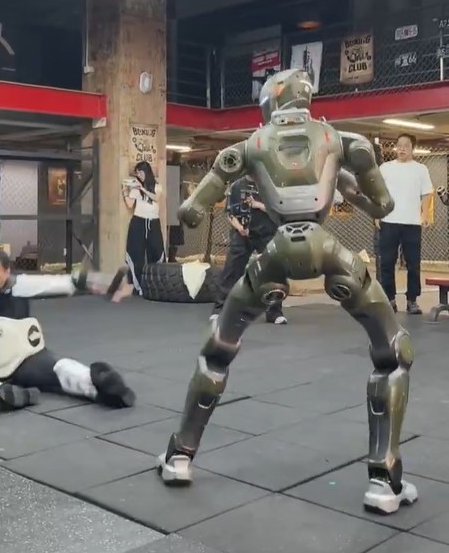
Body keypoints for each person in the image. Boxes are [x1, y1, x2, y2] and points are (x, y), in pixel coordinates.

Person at [157, 68, 417, 517]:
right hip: (329, 251)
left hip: (272, 253)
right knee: (393, 352)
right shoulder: (340, 140)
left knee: (218, 349)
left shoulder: (252, 144)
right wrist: (345, 186)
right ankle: (384, 479)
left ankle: (180, 455)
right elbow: (384, 205)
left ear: (271, 101)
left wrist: (206, 201)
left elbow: (191, 212)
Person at [0, 249, 136, 413]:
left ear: (6, 272)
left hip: (26, 362)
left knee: (62, 369)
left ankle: (101, 384)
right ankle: (4, 394)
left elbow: (62, 283)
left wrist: (98, 282)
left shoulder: (20, 285)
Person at [212, 174, 288, 325]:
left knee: (273, 271)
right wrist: (239, 228)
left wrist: (258, 205)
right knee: (231, 271)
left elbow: (278, 211)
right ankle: (220, 310)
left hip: (266, 233)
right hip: (242, 234)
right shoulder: (237, 186)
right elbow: (230, 213)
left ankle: (274, 312)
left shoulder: (269, 186)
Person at [378, 134, 433, 315]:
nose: (401, 149)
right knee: (387, 262)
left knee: (413, 264)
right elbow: (378, 192)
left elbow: (426, 193)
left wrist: (425, 214)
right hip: (389, 221)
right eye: (399, 145)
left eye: (406, 146)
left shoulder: (421, 169)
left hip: (412, 223)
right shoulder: (385, 168)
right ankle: (390, 299)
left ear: (412, 148)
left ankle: (412, 300)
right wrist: (377, 213)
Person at [122, 161, 165, 297]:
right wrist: (125, 190)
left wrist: (142, 188)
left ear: (147, 172)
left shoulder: (157, 187)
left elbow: (155, 198)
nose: (139, 175)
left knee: (157, 252)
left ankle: (157, 285)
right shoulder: (135, 189)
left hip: (153, 222)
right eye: (137, 173)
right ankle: (138, 287)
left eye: (141, 172)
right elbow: (130, 205)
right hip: (138, 222)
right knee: (136, 254)